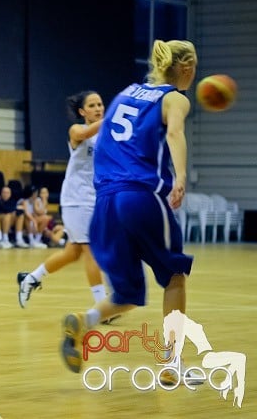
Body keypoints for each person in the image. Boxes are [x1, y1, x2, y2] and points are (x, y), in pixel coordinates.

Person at [59, 40, 197, 386]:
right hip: (140, 195)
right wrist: (179, 176)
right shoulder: (175, 97)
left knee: (129, 295)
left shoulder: (126, 94)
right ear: (186, 68)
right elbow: (177, 134)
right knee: (175, 277)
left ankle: (84, 320)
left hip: (105, 201)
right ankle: (171, 363)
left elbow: (104, 141)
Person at [17, 91, 106, 308]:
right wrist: (114, 116)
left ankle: (31, 278)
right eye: (92, 105)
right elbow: (86, 134)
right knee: (91, 250)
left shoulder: (107, 134)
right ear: (82, 111)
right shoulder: (77, 130)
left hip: (94, 198)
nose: (98, 108)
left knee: (73, 252)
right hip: (76, 200)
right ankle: (102, 306)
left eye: (101, 104)